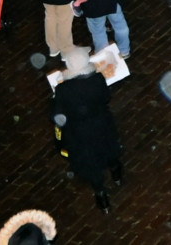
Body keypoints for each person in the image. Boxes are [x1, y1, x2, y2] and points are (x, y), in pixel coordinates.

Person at [52, 45, 125, 213]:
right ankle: (116, 174)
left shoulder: (63, 89)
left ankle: (101, 195)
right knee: (109, 149)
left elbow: (57, 115)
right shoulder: (97, 78)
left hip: (80, 133)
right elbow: (106, 97)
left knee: (91, 162)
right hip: (102, 124)